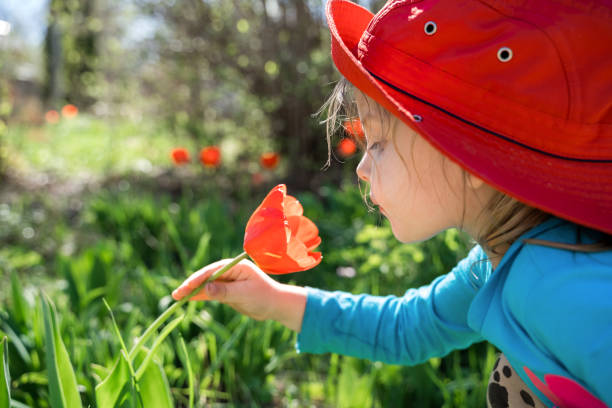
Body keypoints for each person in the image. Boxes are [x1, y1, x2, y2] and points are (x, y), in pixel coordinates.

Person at [173, 0, 612, 406]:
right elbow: (409, 327)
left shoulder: (561, 294)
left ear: (473, 161)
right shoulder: (498, 264)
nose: (361, 169)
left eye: (379, 143)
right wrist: (274, 300)